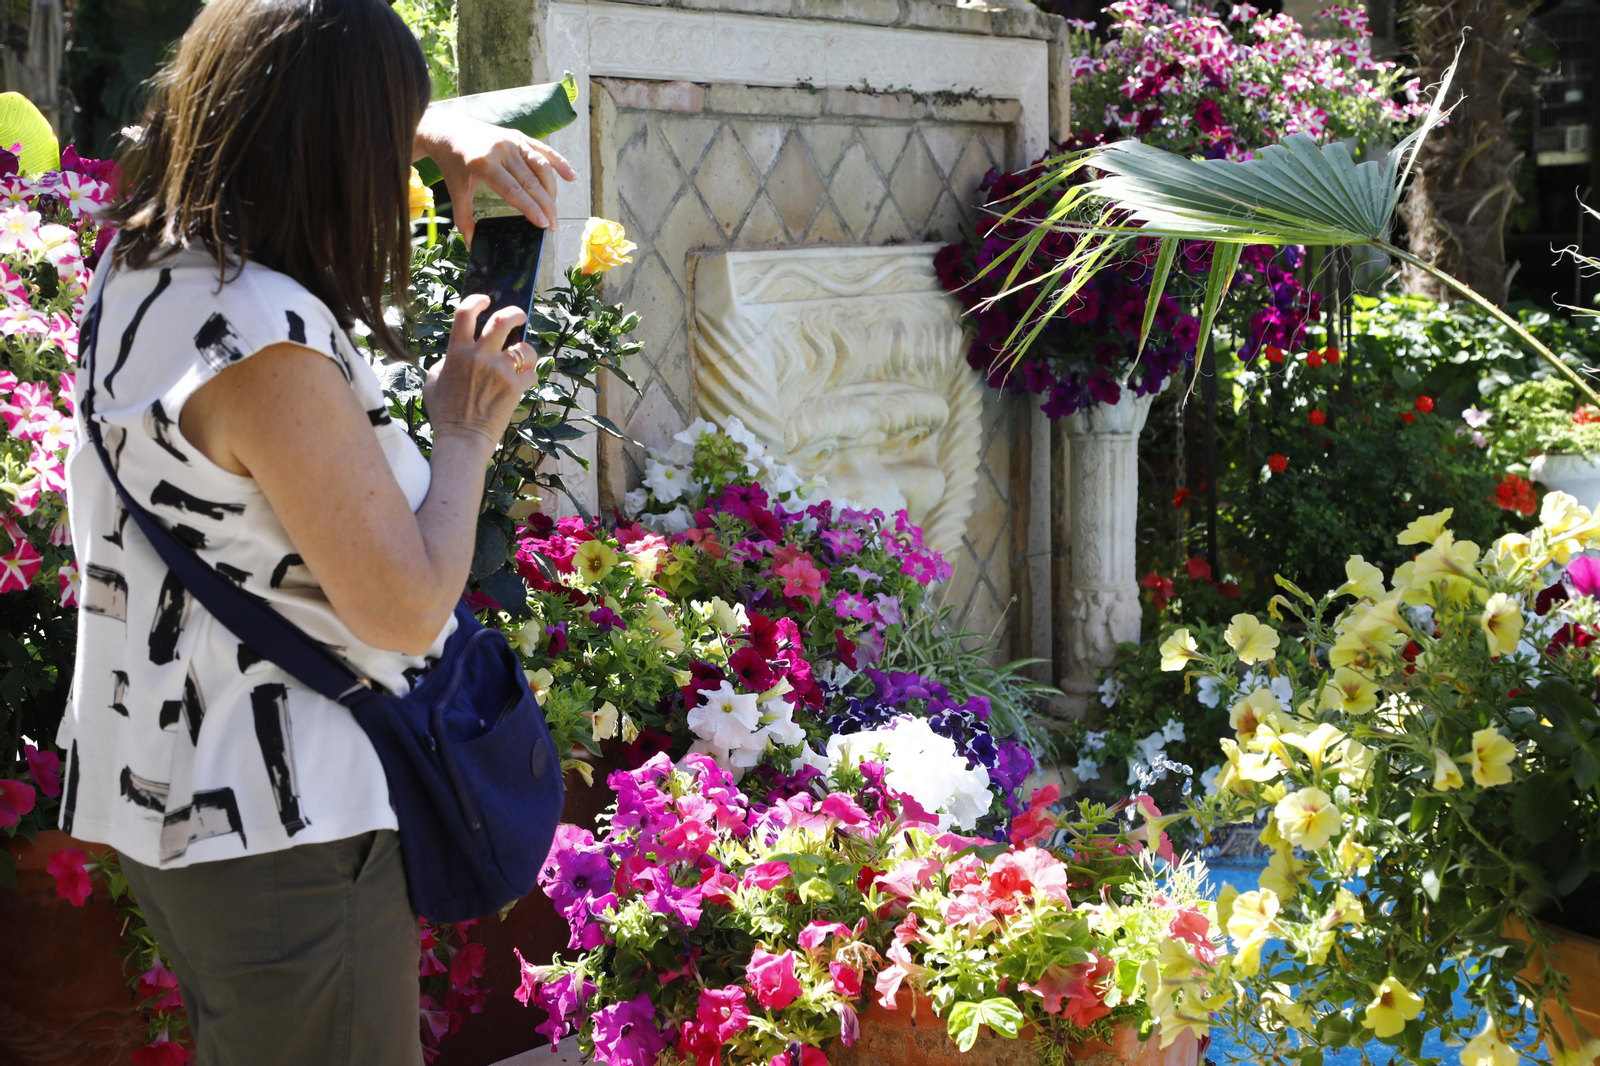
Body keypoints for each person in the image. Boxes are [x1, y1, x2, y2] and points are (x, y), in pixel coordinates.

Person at [58, 0, 575, 1060]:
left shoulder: (145, 263)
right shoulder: (265, 346)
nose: (398, 176)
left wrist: (443, 130)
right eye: (389, 142)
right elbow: (399, 605)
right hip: (286, 838)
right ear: (333, 146)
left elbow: (275, 88)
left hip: (178, 799)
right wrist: (464, 427)